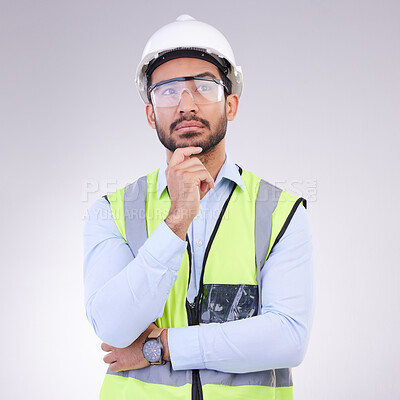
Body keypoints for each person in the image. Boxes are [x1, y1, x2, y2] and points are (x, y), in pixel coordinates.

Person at [83, 14, 314, 400]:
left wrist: (163, 347)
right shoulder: (112, 211)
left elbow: (289, 337)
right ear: (150, 113)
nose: (187, 104)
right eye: (169, 91)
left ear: (231, 104)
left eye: (204, 87)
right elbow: (114, 327)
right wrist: (178, 219)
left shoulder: (281, 212)